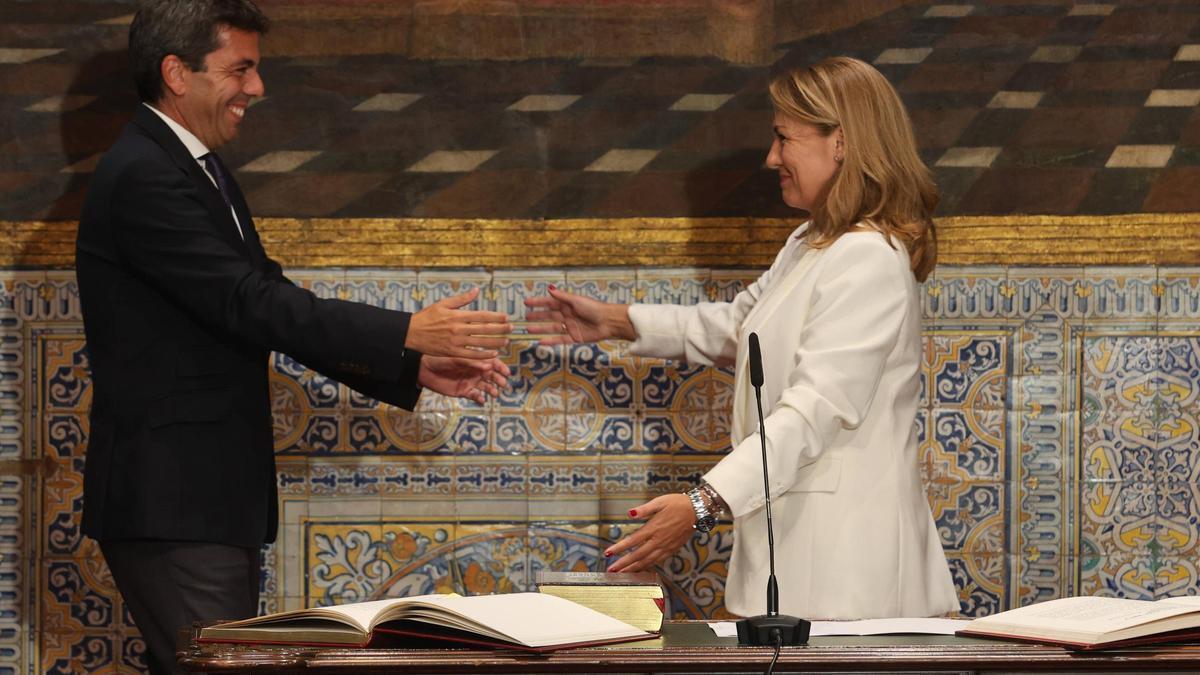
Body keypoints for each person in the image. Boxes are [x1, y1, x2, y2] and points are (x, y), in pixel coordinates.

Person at [75, 2, 511, 672]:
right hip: (175, 502)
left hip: (202, 502)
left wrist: (409, 362)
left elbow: (272, 300)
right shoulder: (145, 174)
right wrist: (406, 328)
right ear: (176, 73)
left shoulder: (196, 167)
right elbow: (251, 302)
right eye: (241, 69)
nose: (257, 88)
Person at [525, 56, 958, 620]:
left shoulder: (869, 257)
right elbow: (740, 327)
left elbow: (813, 411)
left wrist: (703, 503)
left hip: (848, 567)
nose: (771, 157)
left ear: (842, 143)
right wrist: (616, 321)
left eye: (784, 138)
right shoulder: (814, 241)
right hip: (798, 551)